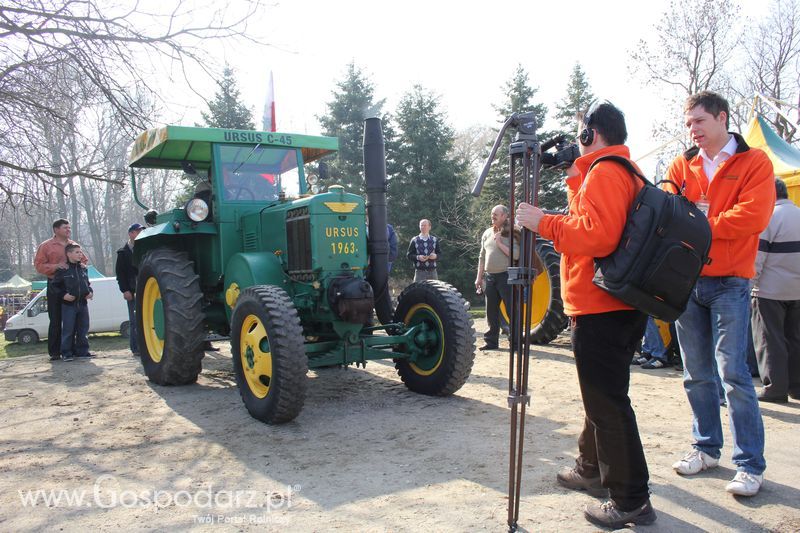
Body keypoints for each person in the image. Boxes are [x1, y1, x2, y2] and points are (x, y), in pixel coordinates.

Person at [516, 101, 655, 528]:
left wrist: (544, 223)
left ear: (591, 133)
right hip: (611, 304)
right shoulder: (613, 171)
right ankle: (592, 467)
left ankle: (631, 500)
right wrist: (574, 173)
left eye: (581, 132)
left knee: (608, 403)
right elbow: (593, 218)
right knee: (601, 397)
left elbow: (595, 235)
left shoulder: (606, 173)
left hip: (601, 307)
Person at [666, 90, 773, 497]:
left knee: (733, 374)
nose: (692, 130)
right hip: (686, 281)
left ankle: (750, 465)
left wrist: (700, 220)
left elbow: (755, 215)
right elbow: (669, 211)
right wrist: (703, 218)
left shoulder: (755, 162)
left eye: (699, 121)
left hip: (731, 281)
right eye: (688, 123)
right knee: (696, 374)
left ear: (721, 118)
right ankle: (706, 447)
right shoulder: (681, 163)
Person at [751, 178, 800, 403]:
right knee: (795, 338)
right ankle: (796, 386)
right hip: (797, 289)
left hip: (769, 290)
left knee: (770, 340)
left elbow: (757, 258)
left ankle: (775, 388)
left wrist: (750, 285)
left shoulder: (768, 217)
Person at [34, 219, 87, 362]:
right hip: (55, 284)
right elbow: (39, 265)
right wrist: (56, 266)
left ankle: (75, 350)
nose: (68, 230)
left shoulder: (73, 244)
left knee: (75, 318)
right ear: (56, 229)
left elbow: (83, 260)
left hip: (73, 285)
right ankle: (55, 352)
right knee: (56, 319)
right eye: (65, 228)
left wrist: (81, 264)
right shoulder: (46, 246)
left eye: (69, 228)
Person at [475, 205, 519, 351]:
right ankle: (491, 342)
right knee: (491, 311)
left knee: (511, 310)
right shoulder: (487, 233)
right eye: (492, 213)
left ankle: (515, 343)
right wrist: (479, 277)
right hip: (489, 277)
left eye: (496, 214)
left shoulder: (513, 232)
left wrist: (499, 242)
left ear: (505, 216)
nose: (492, 216)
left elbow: (516, 255)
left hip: (506, 276)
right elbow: (482, 257)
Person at [52, 244, 94, 362]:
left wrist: (90, 292)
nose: (80, 254)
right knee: (68, 329)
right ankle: (66, 353)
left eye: (80, 252)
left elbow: (87, 284)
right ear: (68, 254)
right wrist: (64, 295)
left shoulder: (83, 268)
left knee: (83, 328)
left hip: (83, 303)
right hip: (69, 305)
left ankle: (82, 352)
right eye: (77, 252)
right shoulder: (62, 269)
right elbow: (55, 286)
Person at [116, 223, 144, 356]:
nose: (140, 233)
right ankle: (136, 348)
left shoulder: (146, 248)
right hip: (132, 290)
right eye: (138, 231)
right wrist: (125, 290)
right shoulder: (122, 252)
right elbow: (120, 274)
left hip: (145, 289)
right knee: (134, 321)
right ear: (131, 233)